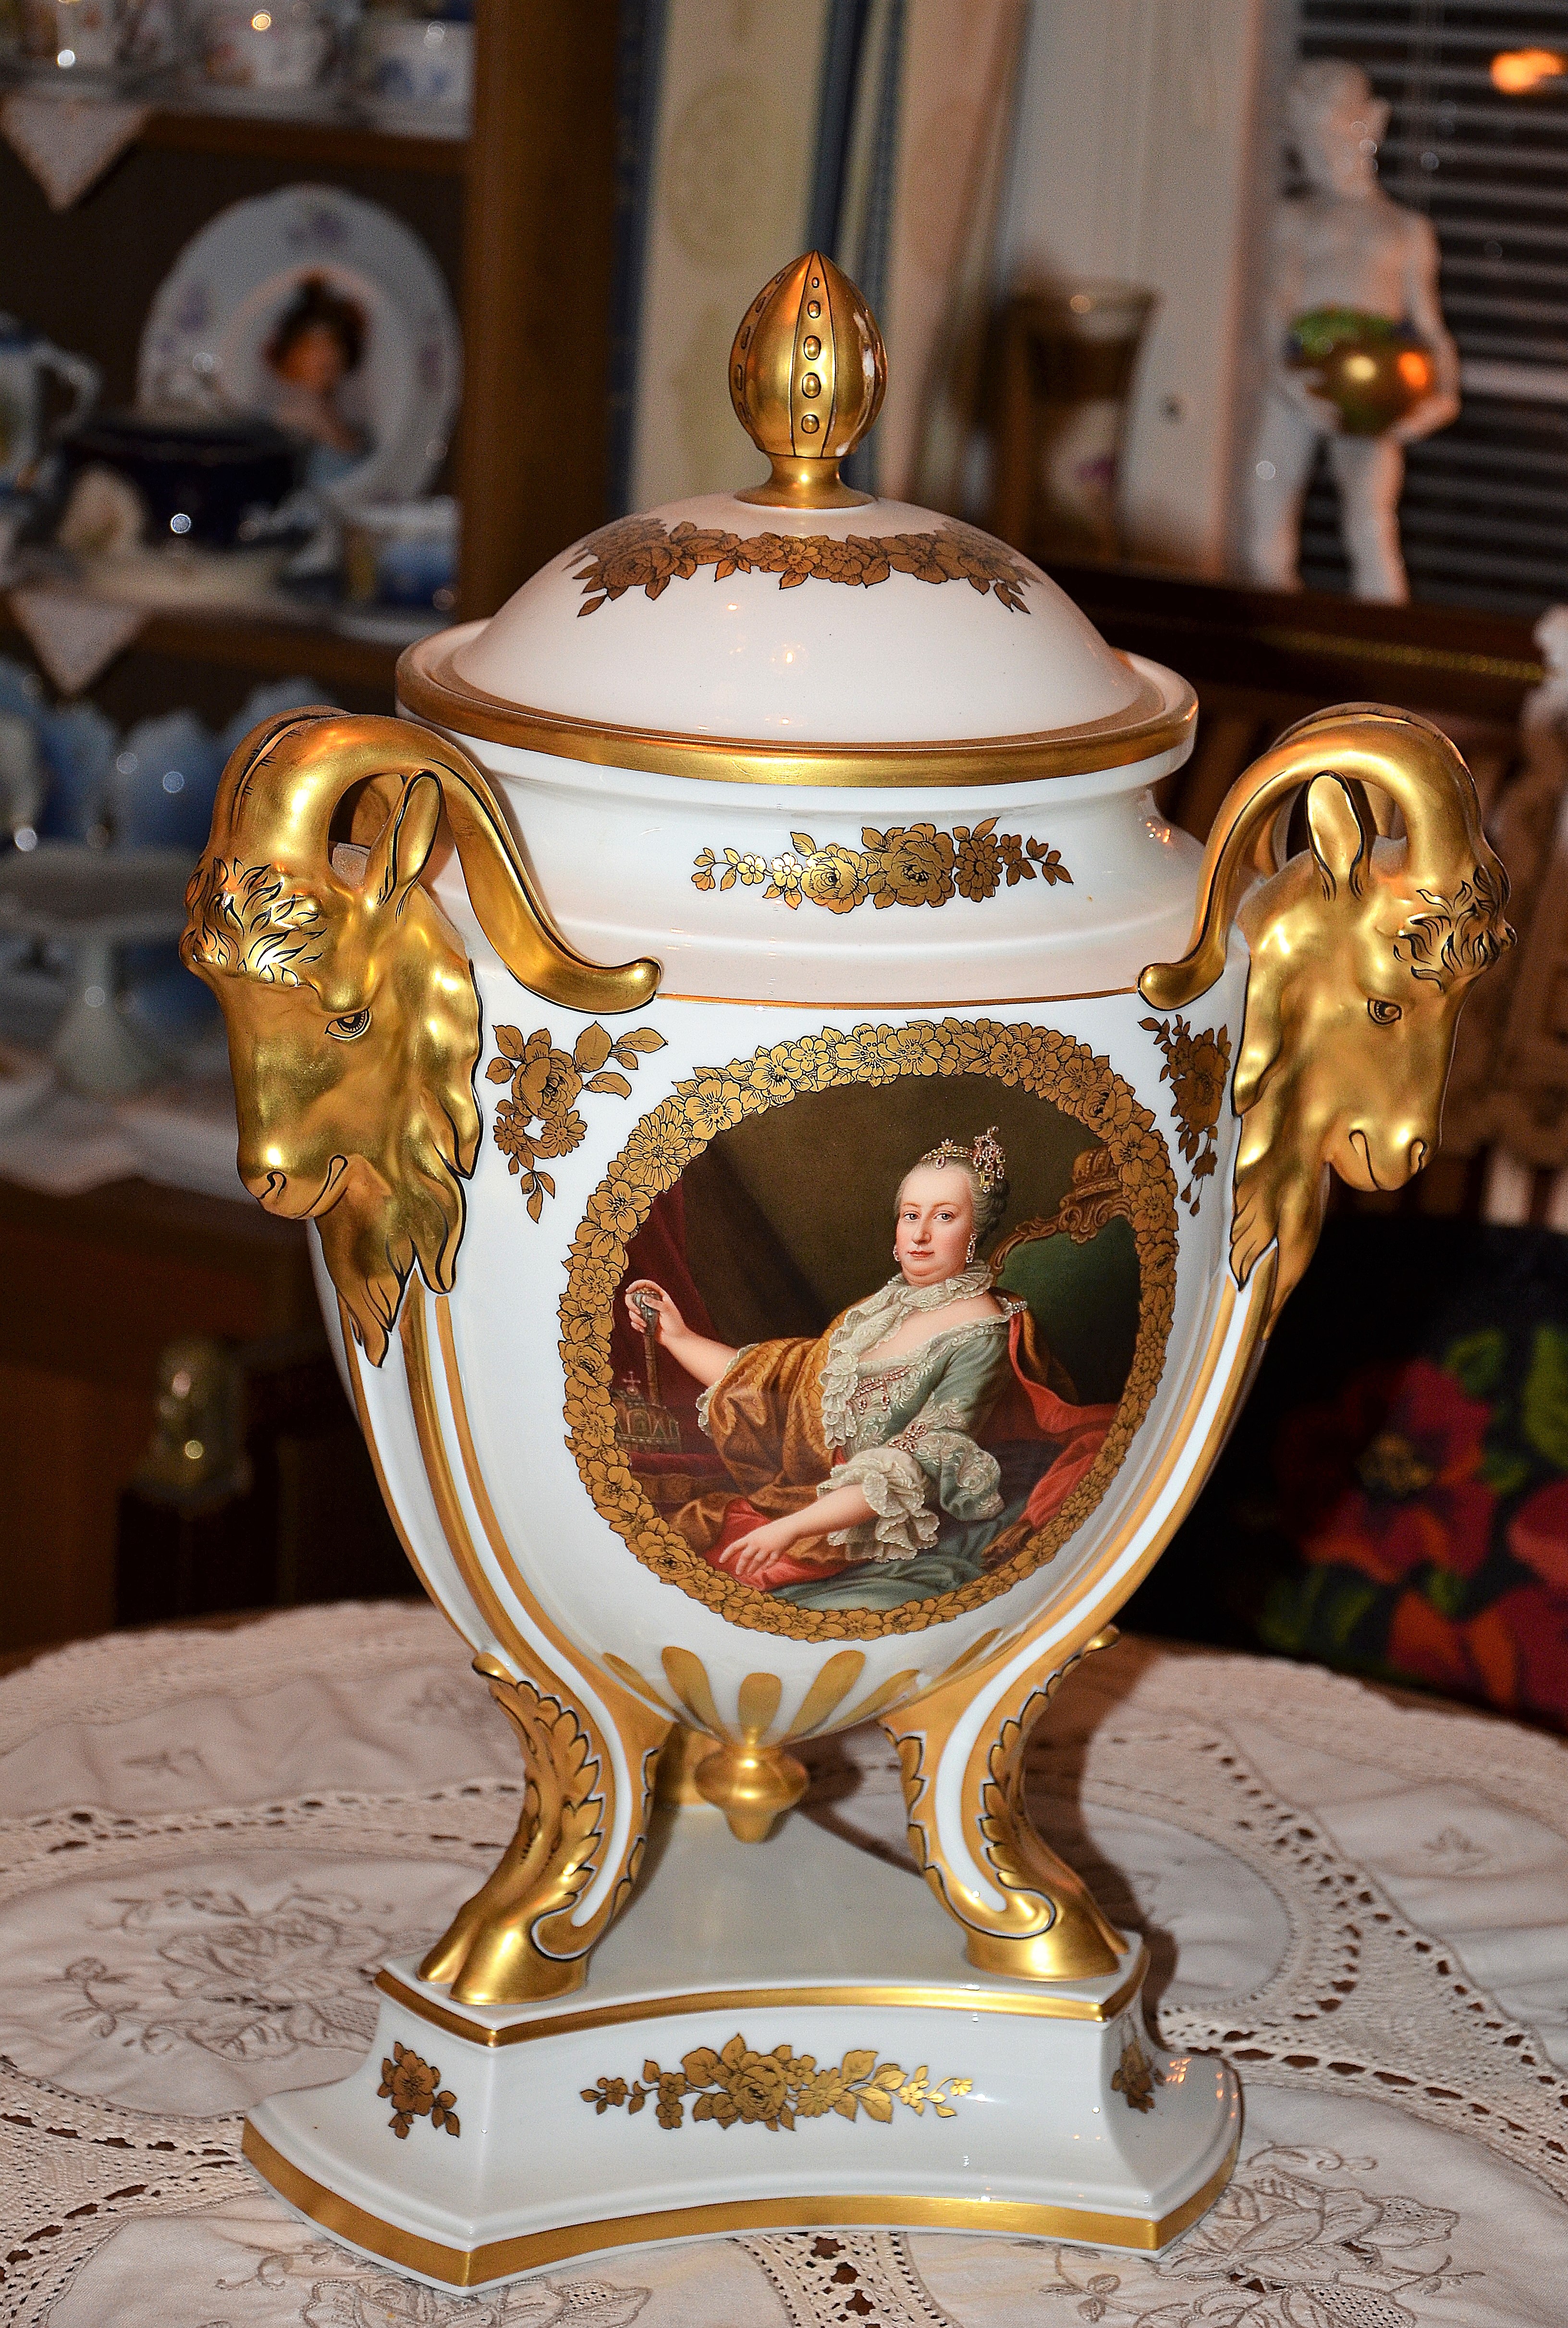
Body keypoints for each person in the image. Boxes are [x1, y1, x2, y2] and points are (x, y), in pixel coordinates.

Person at [624, 1128, 1115, 1612]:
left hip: (860, 1522)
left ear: (973, 1233)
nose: (920, 1235)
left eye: (944, 1217)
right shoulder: (879, 1310)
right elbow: (775, 1382)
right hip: (803, 1497)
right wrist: (677, 1336)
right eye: (911, 1216)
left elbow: (914, 1465)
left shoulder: (979, 1334)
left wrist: (791, 1528)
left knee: (703, 1577)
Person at [1242, 60, 1459, 602]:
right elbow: (1275, 307)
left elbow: (1430, 326)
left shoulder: (1406, 230)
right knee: (1265, 513)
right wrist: (1287, 380)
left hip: (1377, 392)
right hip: (1300, 381)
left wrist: (1442, 395)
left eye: (1334, 137)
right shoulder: (1295, 219)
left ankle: (1385, 643)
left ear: (1372, 125)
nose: (1322, 155)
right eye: (1309, 144)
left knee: (1371, 522)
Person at [261, 274, 372, 490]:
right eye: (311, 348)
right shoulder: (273, 419)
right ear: (290, 356)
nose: (324, 358)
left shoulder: (350, 424)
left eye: (332, 346)